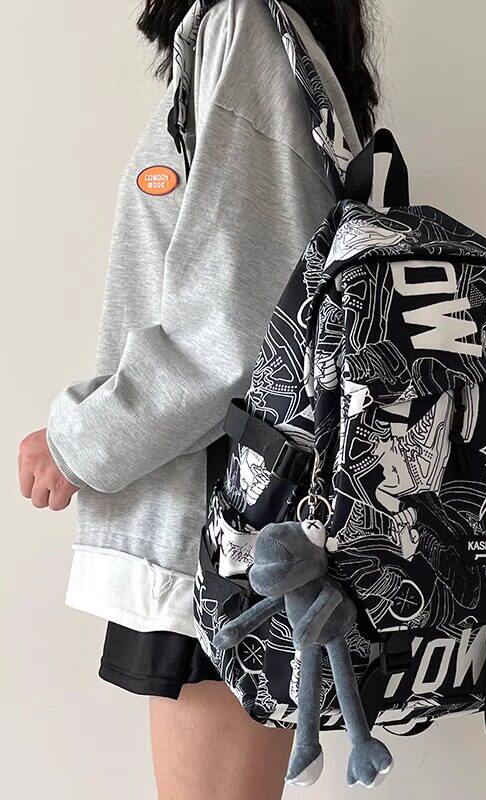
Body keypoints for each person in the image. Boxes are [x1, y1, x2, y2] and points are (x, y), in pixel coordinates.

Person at [17, 1, 378, 797]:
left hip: (218, 540)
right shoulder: (263, 34)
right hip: (244, 526)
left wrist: (80, 443)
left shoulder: (243, 26)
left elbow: (234, 331)